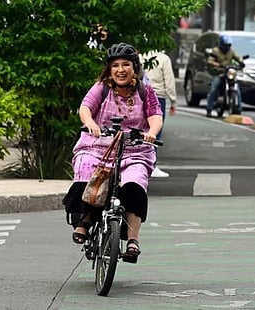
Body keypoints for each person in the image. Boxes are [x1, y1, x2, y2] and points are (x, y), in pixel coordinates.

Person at [62, 42, 163, 262]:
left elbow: (155, 115)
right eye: (115, 65)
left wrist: (152, 132)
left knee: (135, 185)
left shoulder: (145, 91)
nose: (120, 69)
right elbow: (85, 107)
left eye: (126, 64)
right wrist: (90, 123)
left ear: (134, 68)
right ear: (109, 69)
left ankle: (133, 240)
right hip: (98, 147)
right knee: (87, 173)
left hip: (134, 149)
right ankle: (85, 220)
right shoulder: (102, 87)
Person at [141, 50, 177, 178]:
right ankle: (152, 164)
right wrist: (173, 100)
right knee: (155, 132)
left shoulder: (140, 56)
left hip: (140, 95)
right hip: (158, 96)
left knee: (140, 130)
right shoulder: (163, 58)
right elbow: (169, 81)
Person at [206, 34, 245, 118]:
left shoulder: (231, 51)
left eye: (228, 45)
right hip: (220, 73)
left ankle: (238, 108)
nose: (227, 47)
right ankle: (209, 108)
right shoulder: (215, 51)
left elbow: (238, 57)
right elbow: (209, 60)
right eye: (225, 45)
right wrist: (215, 63)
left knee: (237, 88)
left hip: (229, 73)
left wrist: (241, 62)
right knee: (214, 88)